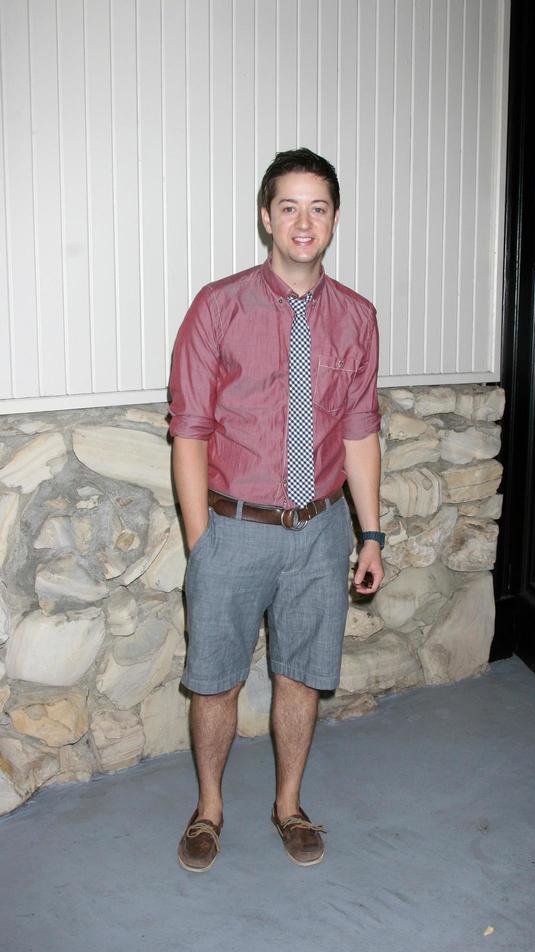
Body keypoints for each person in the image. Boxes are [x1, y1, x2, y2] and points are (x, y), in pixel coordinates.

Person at [168, 148, 385, 871]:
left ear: (334, 221)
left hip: (320, 531)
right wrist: (203, 543)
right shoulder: (217, 307)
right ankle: (209, 810)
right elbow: (190, 433)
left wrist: (371, 532)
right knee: (217, 679)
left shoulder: (357, 318)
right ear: (266, 216)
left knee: (300, 676)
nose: (303, 221)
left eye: (317, 208)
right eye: (288, 206)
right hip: (234, 529)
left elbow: (359, 432)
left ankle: (289, 806)